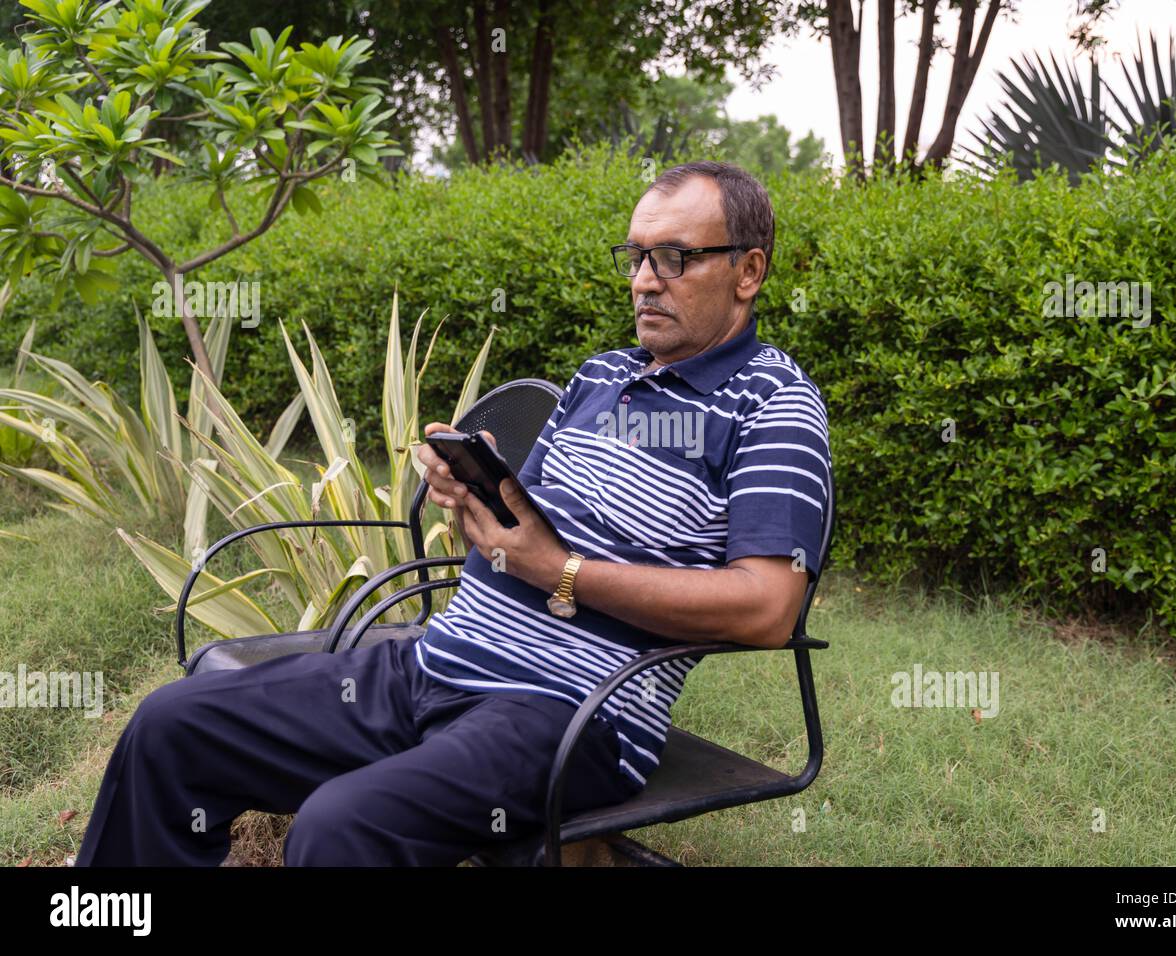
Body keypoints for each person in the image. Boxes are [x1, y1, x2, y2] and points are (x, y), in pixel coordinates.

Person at [75, 160, 832, 867]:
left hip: (569, 714)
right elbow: (522, 531)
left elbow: (765, 608)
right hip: (437, 661)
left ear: (749, 271)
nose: (642, 282)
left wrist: (560, 571)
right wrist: (472, 496)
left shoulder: (774, 409)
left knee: (339, 827)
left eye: (673, 258)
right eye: (633, 257)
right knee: (171, 725)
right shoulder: (602, 376)